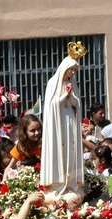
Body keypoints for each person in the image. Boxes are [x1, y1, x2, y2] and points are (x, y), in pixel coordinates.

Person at [39, 42, 85, 201]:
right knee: (58, 151)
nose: (72, 73)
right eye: (71, 70)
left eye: (74, 71)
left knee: (70, 152)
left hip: (69, 123)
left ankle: (71, 183)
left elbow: (77, 105)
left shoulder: (73, 85)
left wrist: (72, 98)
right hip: (57, 125)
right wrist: (64, 97)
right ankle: (57, 185)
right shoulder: (53, 83)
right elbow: (51, 106)